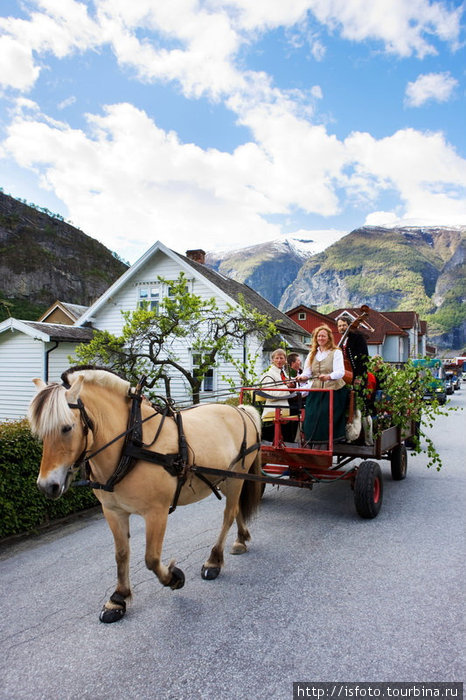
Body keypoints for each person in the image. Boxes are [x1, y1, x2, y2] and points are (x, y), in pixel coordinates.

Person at [296, 325, 349, 445]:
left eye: (323, 336)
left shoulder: (336, 352)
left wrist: (328, 376)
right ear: (315, 338)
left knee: (325, 413)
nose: (321, 338)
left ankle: (329, 440)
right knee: (310, 414)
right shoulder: (312, 354)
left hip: (334, 389)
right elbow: (307, 373)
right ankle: (311, 440)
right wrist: (301, 377)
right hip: (316, 389)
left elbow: (340, 372)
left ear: (329, 338)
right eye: (319, 336)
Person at [259, 348, 296, 442]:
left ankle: (293, 441)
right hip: (275, 407)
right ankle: (288, 441)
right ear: (272, 360)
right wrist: (287, 388)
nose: (279, 361)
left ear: (285, 360)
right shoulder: (268, 375)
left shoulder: (283, 374)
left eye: (281, 358)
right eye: (277, 358)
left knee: (301, 408)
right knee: (298, 411)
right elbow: (269, 394)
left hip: (284, 404)